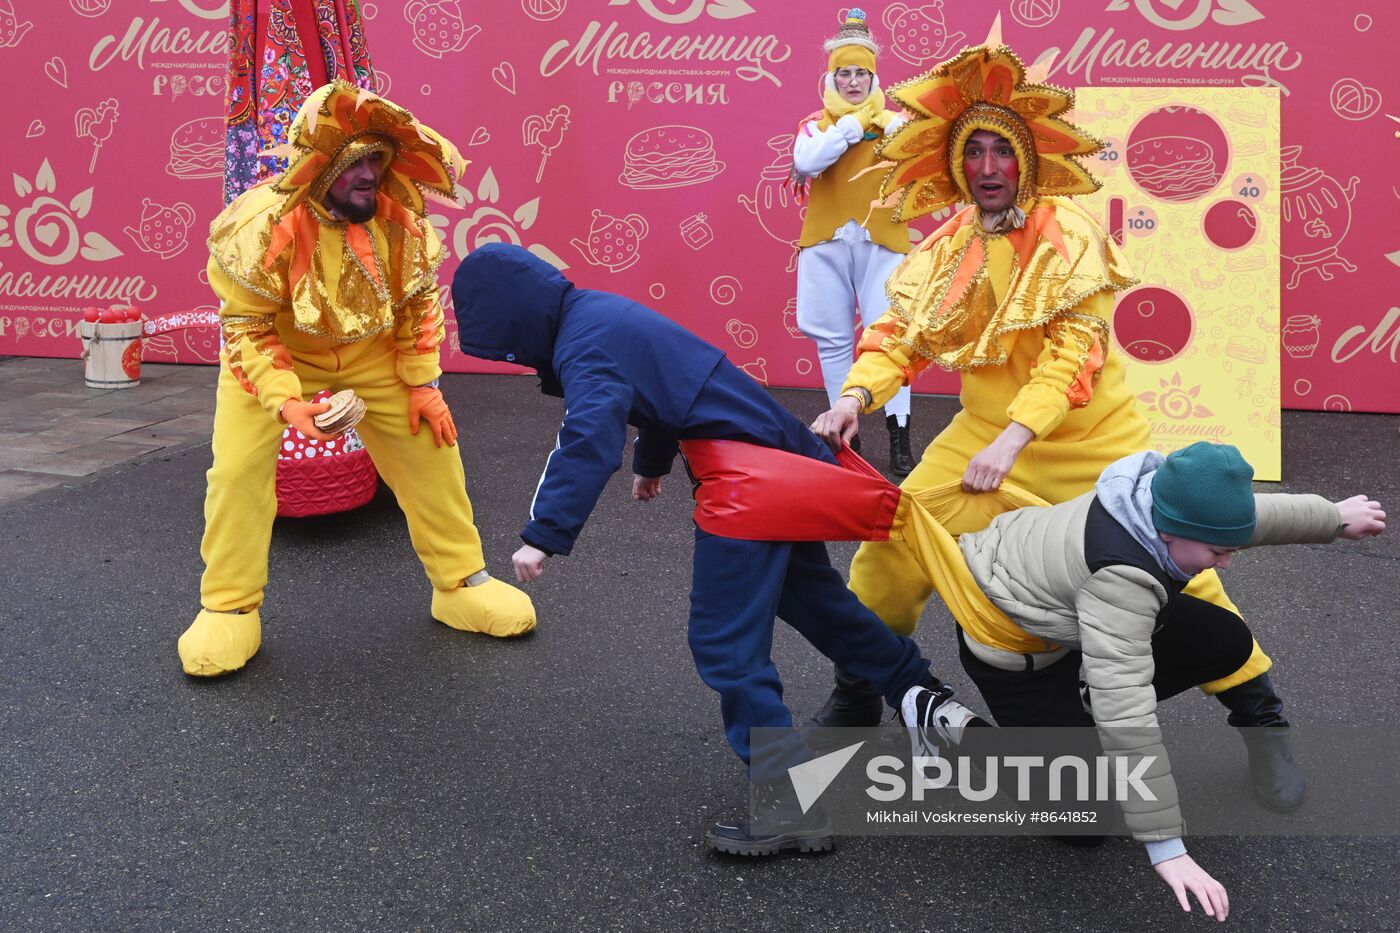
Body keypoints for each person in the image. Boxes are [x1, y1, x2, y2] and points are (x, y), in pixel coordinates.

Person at [807, 22, 1298, 812]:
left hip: (1088, 446)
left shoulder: (1069, 233)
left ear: (1028, 158)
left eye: (1002, 152)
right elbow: (899, 333)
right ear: (954, 163)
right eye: (973, 153)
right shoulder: (951, 244)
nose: (988, 168)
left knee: (1188, 580)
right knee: (894, 541)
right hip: (984, 440)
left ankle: (1262, 723)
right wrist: (853, 397)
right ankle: (863, 687)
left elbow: (1075, 355)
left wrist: (1014, 436)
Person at [450, 242, 979, 856]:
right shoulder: (600, 314)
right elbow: (666, 390)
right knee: (820, 608)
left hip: (748, 486)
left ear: (515, 322)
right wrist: (652, 463)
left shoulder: (583, 344)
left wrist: (544, 535)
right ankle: (933, 706)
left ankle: (789, 804)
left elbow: (588, 439)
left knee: (725, 644)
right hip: (782, 469)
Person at [908, 442, 1386, 920]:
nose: (1225, 563)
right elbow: (1127, 709)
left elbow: (1243, 517)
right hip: (1017, 654)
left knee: (1225, 639)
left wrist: (1333, 518)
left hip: (1071, 619)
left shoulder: (1157, 501)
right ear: (1167, 532)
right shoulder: (1122, 579)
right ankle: (941, 719)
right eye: (1218, 553)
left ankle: (1085, 699)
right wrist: (1166, 847)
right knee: (1083, 820)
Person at [177, 82, 535, 677]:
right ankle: (230, 607)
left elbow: (419, 307)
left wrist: (422, 384)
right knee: (237, 471)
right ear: (321, 167)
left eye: (378, 159)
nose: (370, 173)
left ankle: (461, 584)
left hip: (372, 355)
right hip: (279, 353)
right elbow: (245, 327)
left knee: (432, 450)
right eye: (356, 162)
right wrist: (287, 404)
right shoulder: (262, 223)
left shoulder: (402, 222)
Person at [791, 8, 915, 476]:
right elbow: (807, 164)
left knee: (889, 337)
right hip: (825, 242)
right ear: (832, 77)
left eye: (861, 73)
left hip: (881, 239)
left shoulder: (897, 124)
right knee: (832, 340)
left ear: (872, 76)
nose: (853, 81)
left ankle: (899, 435)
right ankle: (848, 438)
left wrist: (879, 125)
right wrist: (847, 129)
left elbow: (915, 156)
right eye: (844, 73)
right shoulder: (815, 126)